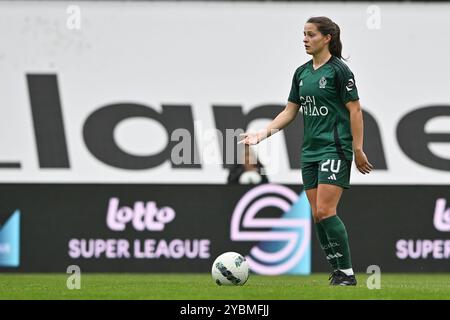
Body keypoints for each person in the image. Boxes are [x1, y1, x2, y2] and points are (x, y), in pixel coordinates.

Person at [238, 16, 373, 286]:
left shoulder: (339, 71)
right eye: (303, 34)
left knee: (325, 210)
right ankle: (337, 271)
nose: (305, 39)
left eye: (311, 35)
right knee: (316, 214)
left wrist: (357, 148)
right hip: (310, 151)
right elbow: (290, 111)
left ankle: (346, 272)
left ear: (327, 38)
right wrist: (261, 135)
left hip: (335, 148)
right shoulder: (301, 73)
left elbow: (355, 110)